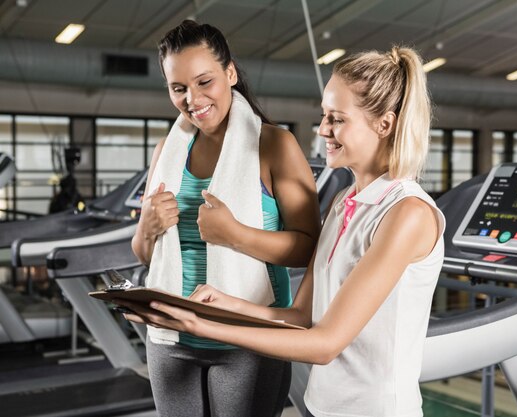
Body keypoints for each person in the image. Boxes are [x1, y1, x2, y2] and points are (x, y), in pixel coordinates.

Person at [124, 46, 445, 417]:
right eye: (324, 116)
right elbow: (301, 316)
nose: (323, 129)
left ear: (384, 125)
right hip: (321, 407)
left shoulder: (408, 213)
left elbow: (325, 344)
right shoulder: (344, 202)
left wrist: (200, 325)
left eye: (337, 119)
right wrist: (227, 305)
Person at [130, 20, 320, 417]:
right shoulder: (168, 150)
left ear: (230, 73)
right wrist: (146, 227)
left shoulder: (274, 145)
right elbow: (144, 253)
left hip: (246, 339)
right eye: (178, 88)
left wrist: (236, 235)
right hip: (171, 336)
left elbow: (309, 248)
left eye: (204, 82)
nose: (192, 99)